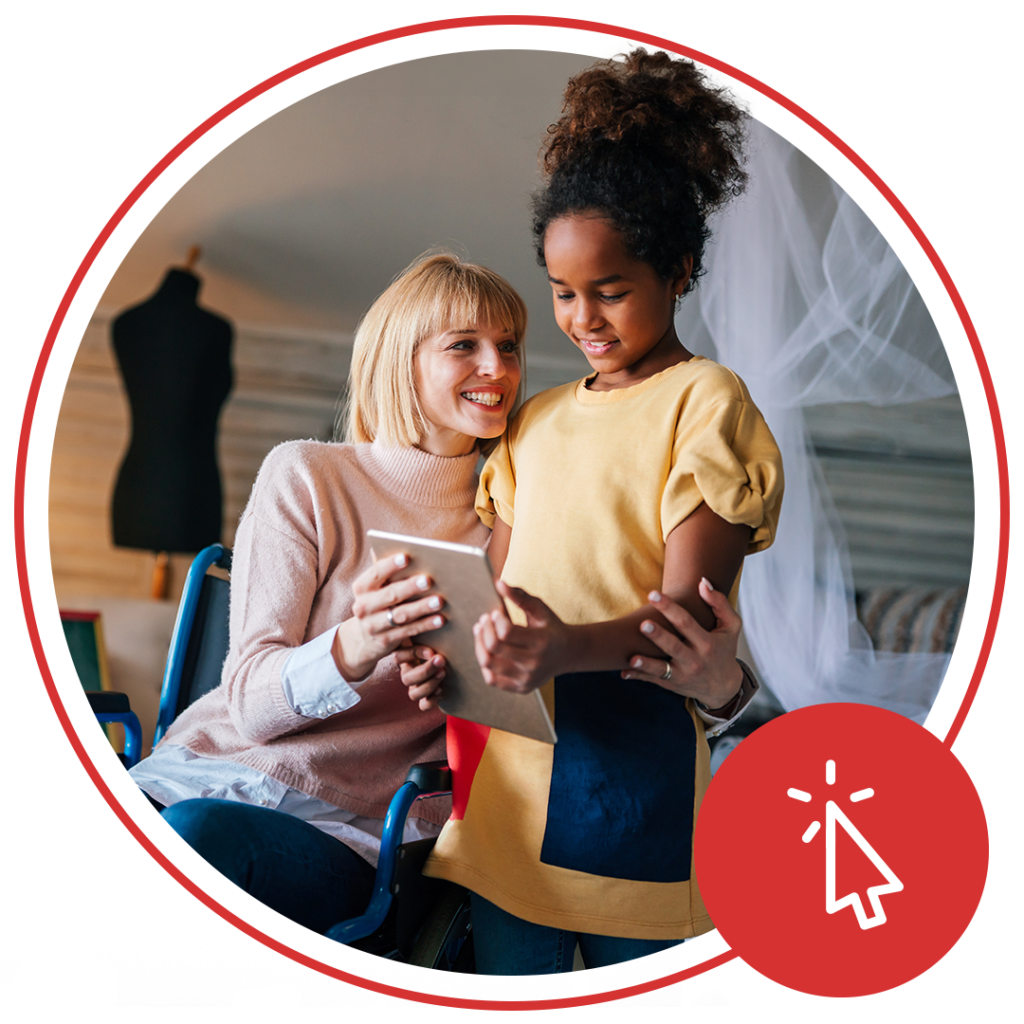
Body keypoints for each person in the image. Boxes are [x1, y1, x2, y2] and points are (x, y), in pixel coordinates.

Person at [410, 49, 785, 1006]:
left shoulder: (706, 404)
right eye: (563, 291)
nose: (584, 318)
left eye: (611, 289)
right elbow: (488, 595)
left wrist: (556, 647)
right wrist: (447, 652)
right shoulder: (532, 420)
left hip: (632, 782)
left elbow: (687, 625)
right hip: (509, 792)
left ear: (680, 269)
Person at [114, 252, 529, 1006]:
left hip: (353, 836)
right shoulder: (307, 475)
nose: (496, 365)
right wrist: (354, 647)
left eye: (510, 344)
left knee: (197, 843)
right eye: (464, 343)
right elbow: (249, 704)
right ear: (401, 360)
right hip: (209, 771)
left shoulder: (509, 523)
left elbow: (511, 718)